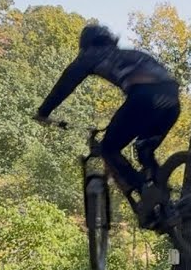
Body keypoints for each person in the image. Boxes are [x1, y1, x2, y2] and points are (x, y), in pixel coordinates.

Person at [34, 24, 181, 227]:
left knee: (109, 148)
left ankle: (144, 190)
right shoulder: (130, 54)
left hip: (144, 99)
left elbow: (66, 83)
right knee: (144, 149)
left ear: (86, 44)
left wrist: (43, 112)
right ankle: (166, 206)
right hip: (171, 102)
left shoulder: (92, 54)